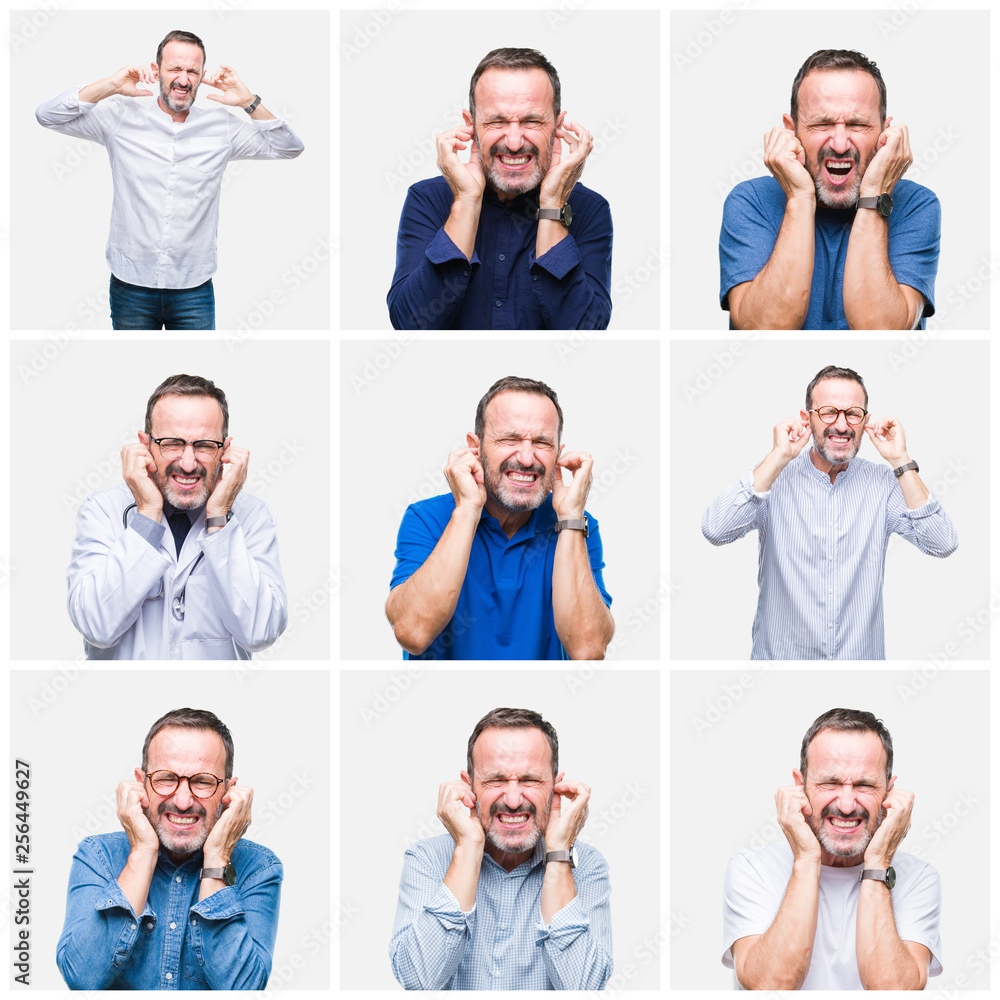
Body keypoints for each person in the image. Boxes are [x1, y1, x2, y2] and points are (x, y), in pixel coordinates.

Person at [35, 29, 304, 330]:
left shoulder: (222, 128)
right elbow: (48, 115)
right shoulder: (120, 118)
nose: (183, 78)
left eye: (192, 71)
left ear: (201, 76)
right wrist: (110, 86)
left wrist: (248, 102)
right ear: (157, 70)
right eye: (175, 68)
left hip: (193, 290)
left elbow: (290, 148)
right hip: (130, 285)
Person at [701, 364, 957, 659]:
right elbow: (715, 530)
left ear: (865, 421)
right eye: (828, 412)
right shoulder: (772, 479)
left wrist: (900, 459)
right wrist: (778, 456)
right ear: (806, 419)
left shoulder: (884, 484)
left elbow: (943, 544)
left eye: (852, 413)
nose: (841, 424)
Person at [386, 376, 614, 659]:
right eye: (510, 438)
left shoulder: (577, 525)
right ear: (475, 448)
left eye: (542, 442)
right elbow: (412, 633)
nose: (528, 458)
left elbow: (587, 651)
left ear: (558, 454)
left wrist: (570, 518)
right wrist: (468, 508)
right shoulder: (427, 518)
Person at [57, 708, 282, 990]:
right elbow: (81, 978)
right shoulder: (97, 856)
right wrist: (142, 852)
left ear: (229, 791)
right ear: (141, 784)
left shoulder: (259, 867)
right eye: (166, 778)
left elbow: (242, 990)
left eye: (202, 781)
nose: (184, 801)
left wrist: (217, 858)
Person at [388, 47, 612, 330]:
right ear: (471, 126)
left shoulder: (590, 209)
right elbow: (411, 326)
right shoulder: (428, 200)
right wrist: (466, 201)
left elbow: (584, 334)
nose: (515, 141)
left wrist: (553, 205)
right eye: (497, 121)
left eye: (532, 121)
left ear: (557, 125)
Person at [390, 707, 613, 989]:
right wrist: (468, 849)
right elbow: (418, 982)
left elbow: (584, 989)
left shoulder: (587, 866)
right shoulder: (427, 859)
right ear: (468, 785)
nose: (512, 799)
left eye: (530, 779)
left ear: (556, 786)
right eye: (495, 779)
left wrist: (558, 854)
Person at [67, 373, 287, 659]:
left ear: (225, 449)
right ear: (145, 445)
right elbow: (95, 626)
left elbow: (261, 632)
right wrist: (146, 515)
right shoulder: (102, 511)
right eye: (171, 443)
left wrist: (219, 518)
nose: (187, 462)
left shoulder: (253, 516)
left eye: (205, 445)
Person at [720, 49, 940, 330]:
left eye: (857, 124)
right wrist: (799, 198)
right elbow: (764, 332)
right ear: (792, 131)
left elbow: (881, 333)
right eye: (821, 124)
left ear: (884, 134)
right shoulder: (750, 201)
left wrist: (875, 195)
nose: (839, 143)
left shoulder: (916, 204)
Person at [722, 708, 942, 989]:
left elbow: (892, 991)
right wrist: (805, 859)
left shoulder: (919, 878)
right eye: (830, 782)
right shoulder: (751, 868)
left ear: (889, 790)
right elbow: (770, 987)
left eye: (864, 784)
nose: (847, 805)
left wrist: (878, 862)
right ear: (799, 787)